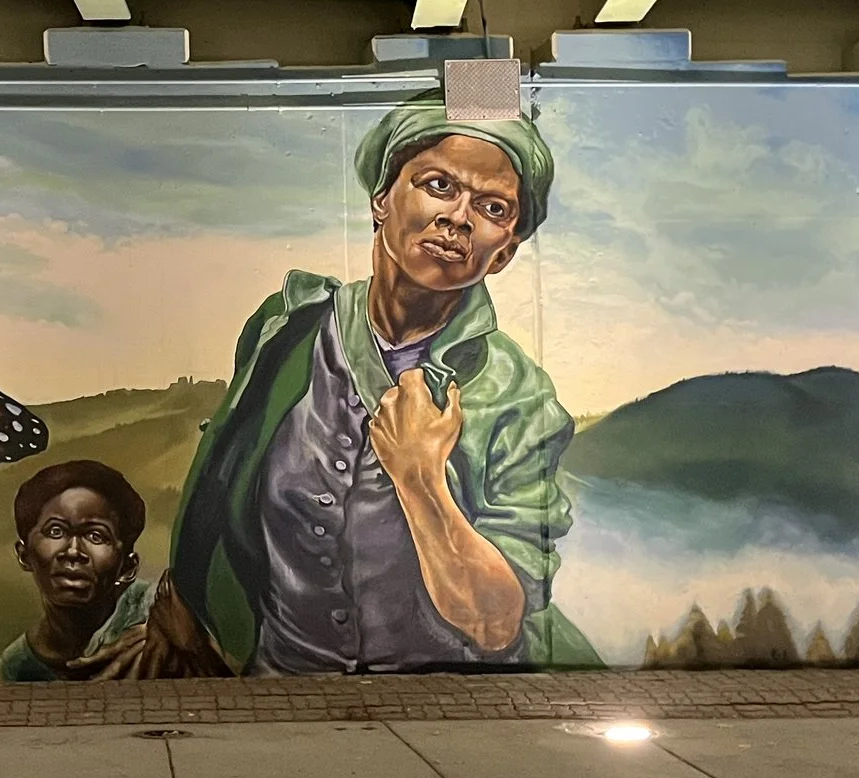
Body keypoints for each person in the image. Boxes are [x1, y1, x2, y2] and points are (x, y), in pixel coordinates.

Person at [148, 89, 591, 675]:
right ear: (382, 200)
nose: (458, 217)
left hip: (448, 708)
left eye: (492, 209)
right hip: (277, 683)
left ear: (504, 254)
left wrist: (421, 480)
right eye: (438, 184)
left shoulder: (518, 398)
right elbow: (224, 472)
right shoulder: (286, 330)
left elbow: (495, 624)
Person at [0, 460, 157, 681]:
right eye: (55, 531)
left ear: (127, 567)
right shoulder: (19, 665)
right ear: (25, 555)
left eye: (96, 536)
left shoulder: (158, 609)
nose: (73, 551)